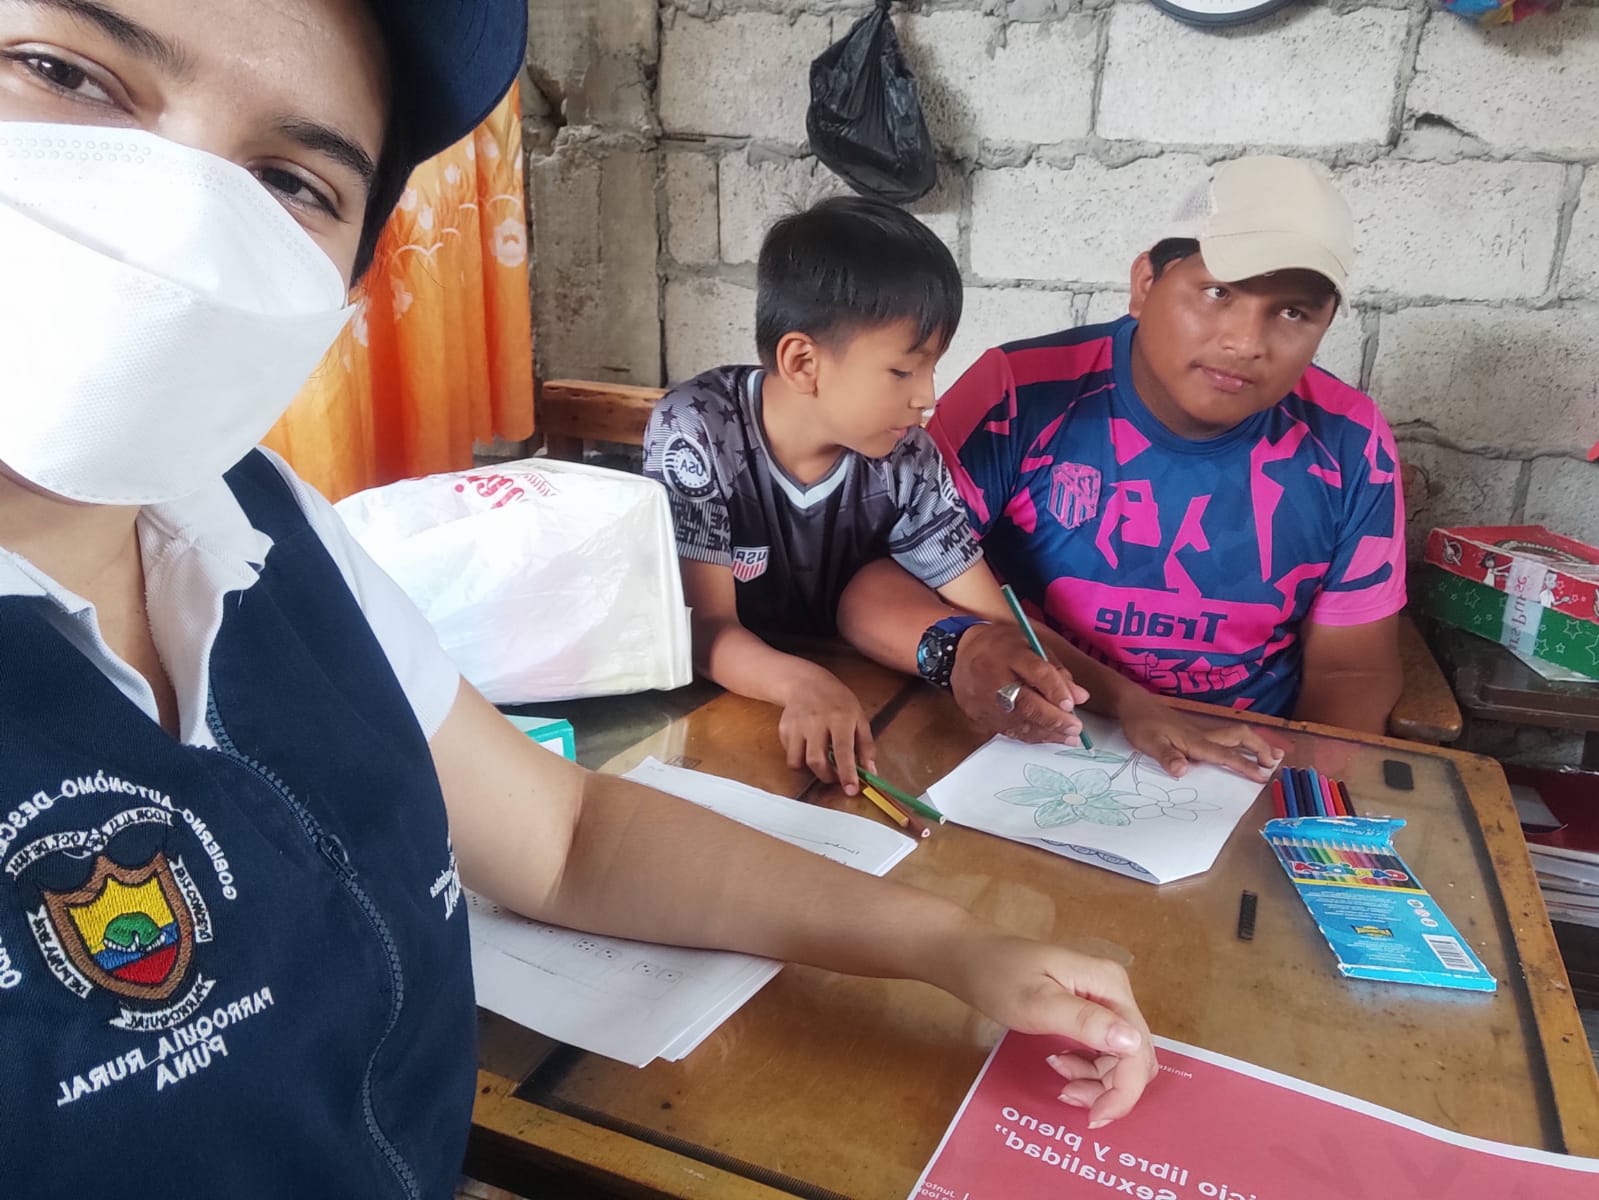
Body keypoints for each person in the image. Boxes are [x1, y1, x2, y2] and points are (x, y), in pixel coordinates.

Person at [0, 2, 1158, 1193]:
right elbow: (710, 637)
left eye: (293, 180)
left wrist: (960, 945)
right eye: (63, 72)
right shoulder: (703, 426)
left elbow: (565, 837)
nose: (188, 209)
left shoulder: (264, 526)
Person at [645, 197, 1280, 791]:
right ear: (803, 363)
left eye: (932, 367)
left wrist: (1132, 704)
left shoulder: (905, 459)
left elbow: (998, 615)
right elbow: (704, 628)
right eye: (902, 370)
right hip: (726, 706)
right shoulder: (699, 431)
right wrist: (803, 683)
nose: (927, 397)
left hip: (855, 712)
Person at [929, 158, 1407, 734]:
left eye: (1292, 312)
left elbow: (1351, 671)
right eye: (1217, 292)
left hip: (1241, 753)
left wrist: (1299, 782)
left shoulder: (1349, 439)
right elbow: (896, 573)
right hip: (1040, 732)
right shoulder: (1020, 394)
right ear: (1145, 284)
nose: (1245, 342)